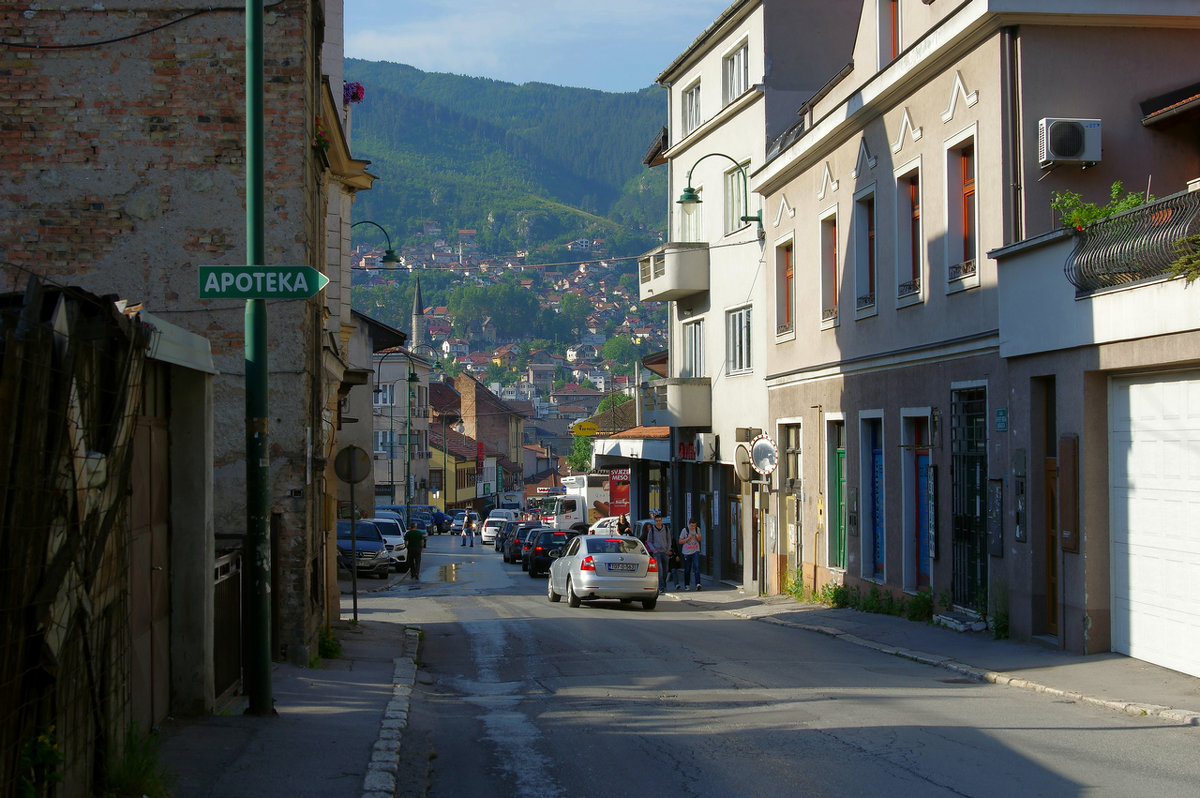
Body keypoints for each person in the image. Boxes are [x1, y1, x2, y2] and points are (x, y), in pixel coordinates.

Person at [643, 513, 672, 594]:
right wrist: (653, 549)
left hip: (665, 552)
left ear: (661, 521)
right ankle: (661, 587)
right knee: (660, 570)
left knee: (665, 570)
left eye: (659, 521)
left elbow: (669, 540)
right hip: (657, 552)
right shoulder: (652, 530)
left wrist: (668, 549)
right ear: (654, 521)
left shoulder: (666, 529)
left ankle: (664, 585)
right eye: (657, 521)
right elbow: (649, 541)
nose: (658, 522)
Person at [679, 517, 702, 591]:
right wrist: (687, 538)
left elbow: (700, 539)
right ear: (689, 524)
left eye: (694, 526)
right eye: (692, 526)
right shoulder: (685, 530)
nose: (693, 527)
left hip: (695, 550)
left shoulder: (697, 529)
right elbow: (680, 541)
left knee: (696, 567)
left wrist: (698, 537)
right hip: (687, 552)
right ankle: (687, 584)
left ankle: (698, 584)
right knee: (687, 569)